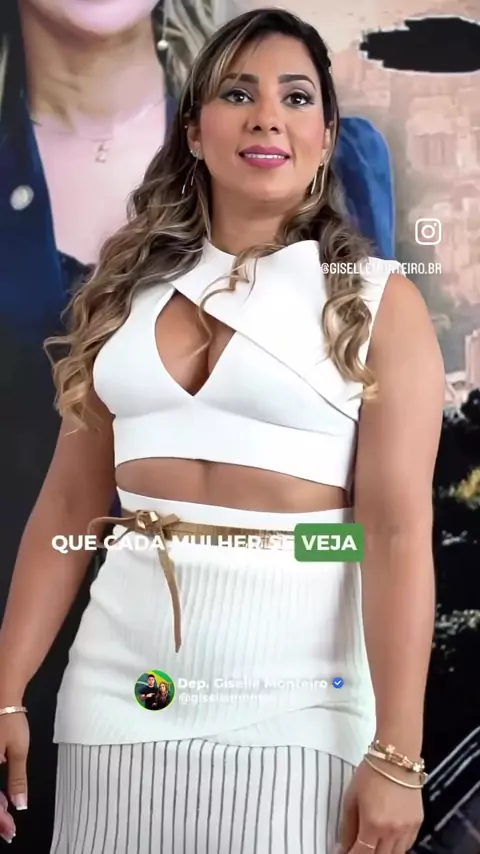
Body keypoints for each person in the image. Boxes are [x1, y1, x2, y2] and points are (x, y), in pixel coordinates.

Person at [0, 5, 426, 853]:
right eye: (238, 93)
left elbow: (393, 534)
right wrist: (7, 690)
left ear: (326, 136)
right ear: (194, 131)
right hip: (115, 699)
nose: (267, 116)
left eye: (296, 97)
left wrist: (398, 755)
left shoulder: (377, 300)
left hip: (303, 706)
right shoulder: (123, 295)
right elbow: (70, 510)